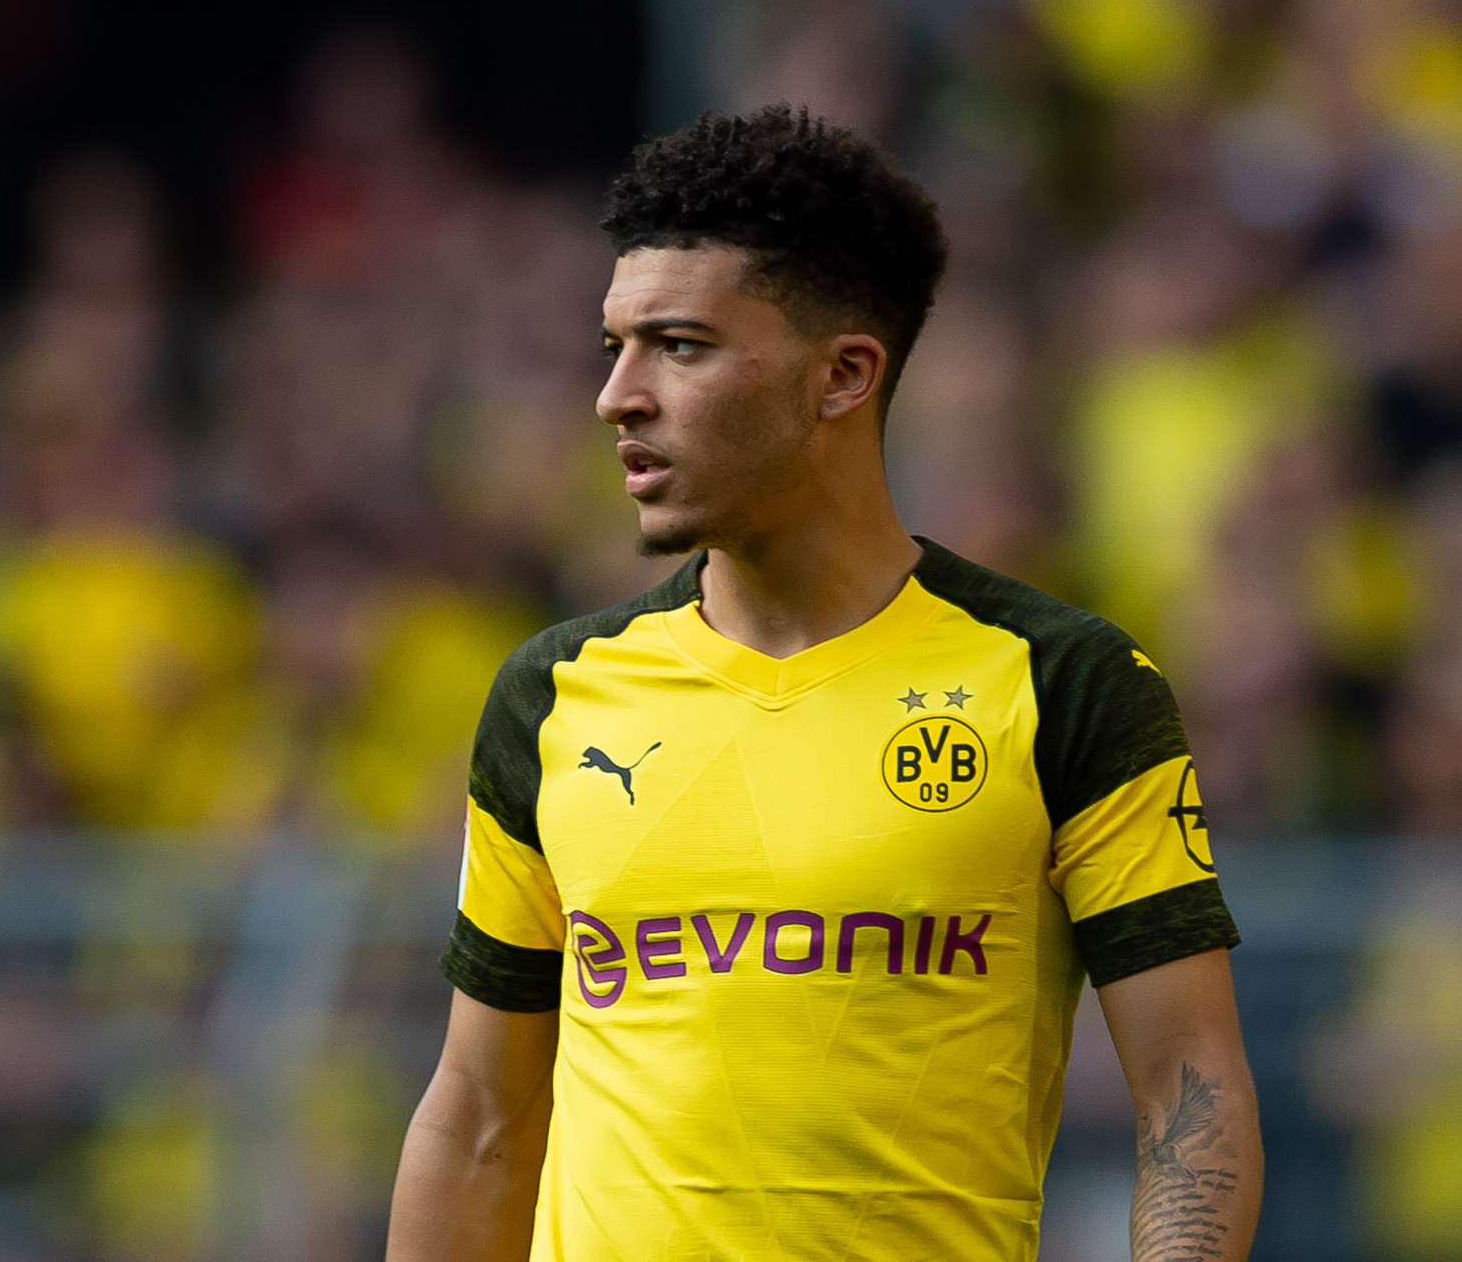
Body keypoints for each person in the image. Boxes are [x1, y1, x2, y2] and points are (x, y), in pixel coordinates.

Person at [386, 106, 1262, 1261]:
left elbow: (1188, 1092)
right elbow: (477, 1120)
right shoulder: (551, 695)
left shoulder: (1062, 683)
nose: (617, 396)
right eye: (614, 348)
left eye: (678, 347)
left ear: (842, 376)